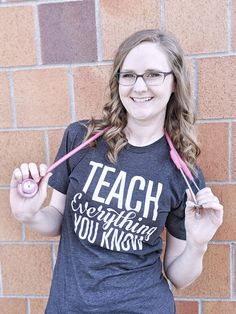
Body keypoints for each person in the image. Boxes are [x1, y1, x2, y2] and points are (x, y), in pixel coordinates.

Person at [10, 29, 223, 314]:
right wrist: (30, 214)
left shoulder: (183, 172)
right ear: (118, 81)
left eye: (153, 75)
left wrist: (198, 243)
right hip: (69, 306)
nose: (139, 87)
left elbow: (178, 276)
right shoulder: (81, 139)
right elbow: (57, 220)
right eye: (128, 75)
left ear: (174, 82)